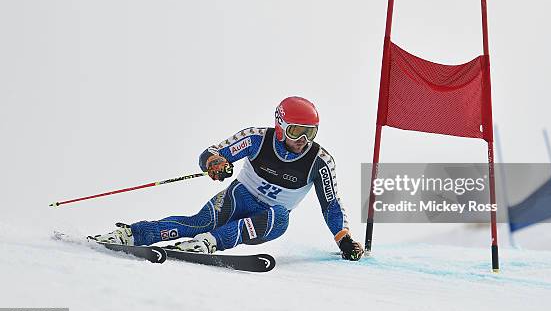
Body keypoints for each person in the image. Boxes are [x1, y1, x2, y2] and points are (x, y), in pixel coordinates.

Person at [91, 96, 364, 261]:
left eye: (310, 133)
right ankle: (130, 235)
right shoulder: (256, 138)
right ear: (280, 127)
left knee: (281, 218)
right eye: (295, 131)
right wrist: (216, 163)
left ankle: (209, 243)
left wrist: (344, 239)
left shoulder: (320, 161)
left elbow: (331, 205)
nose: (302, 141)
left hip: (267, 218)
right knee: (198, 222)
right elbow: (211, 153)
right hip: (239, 198)